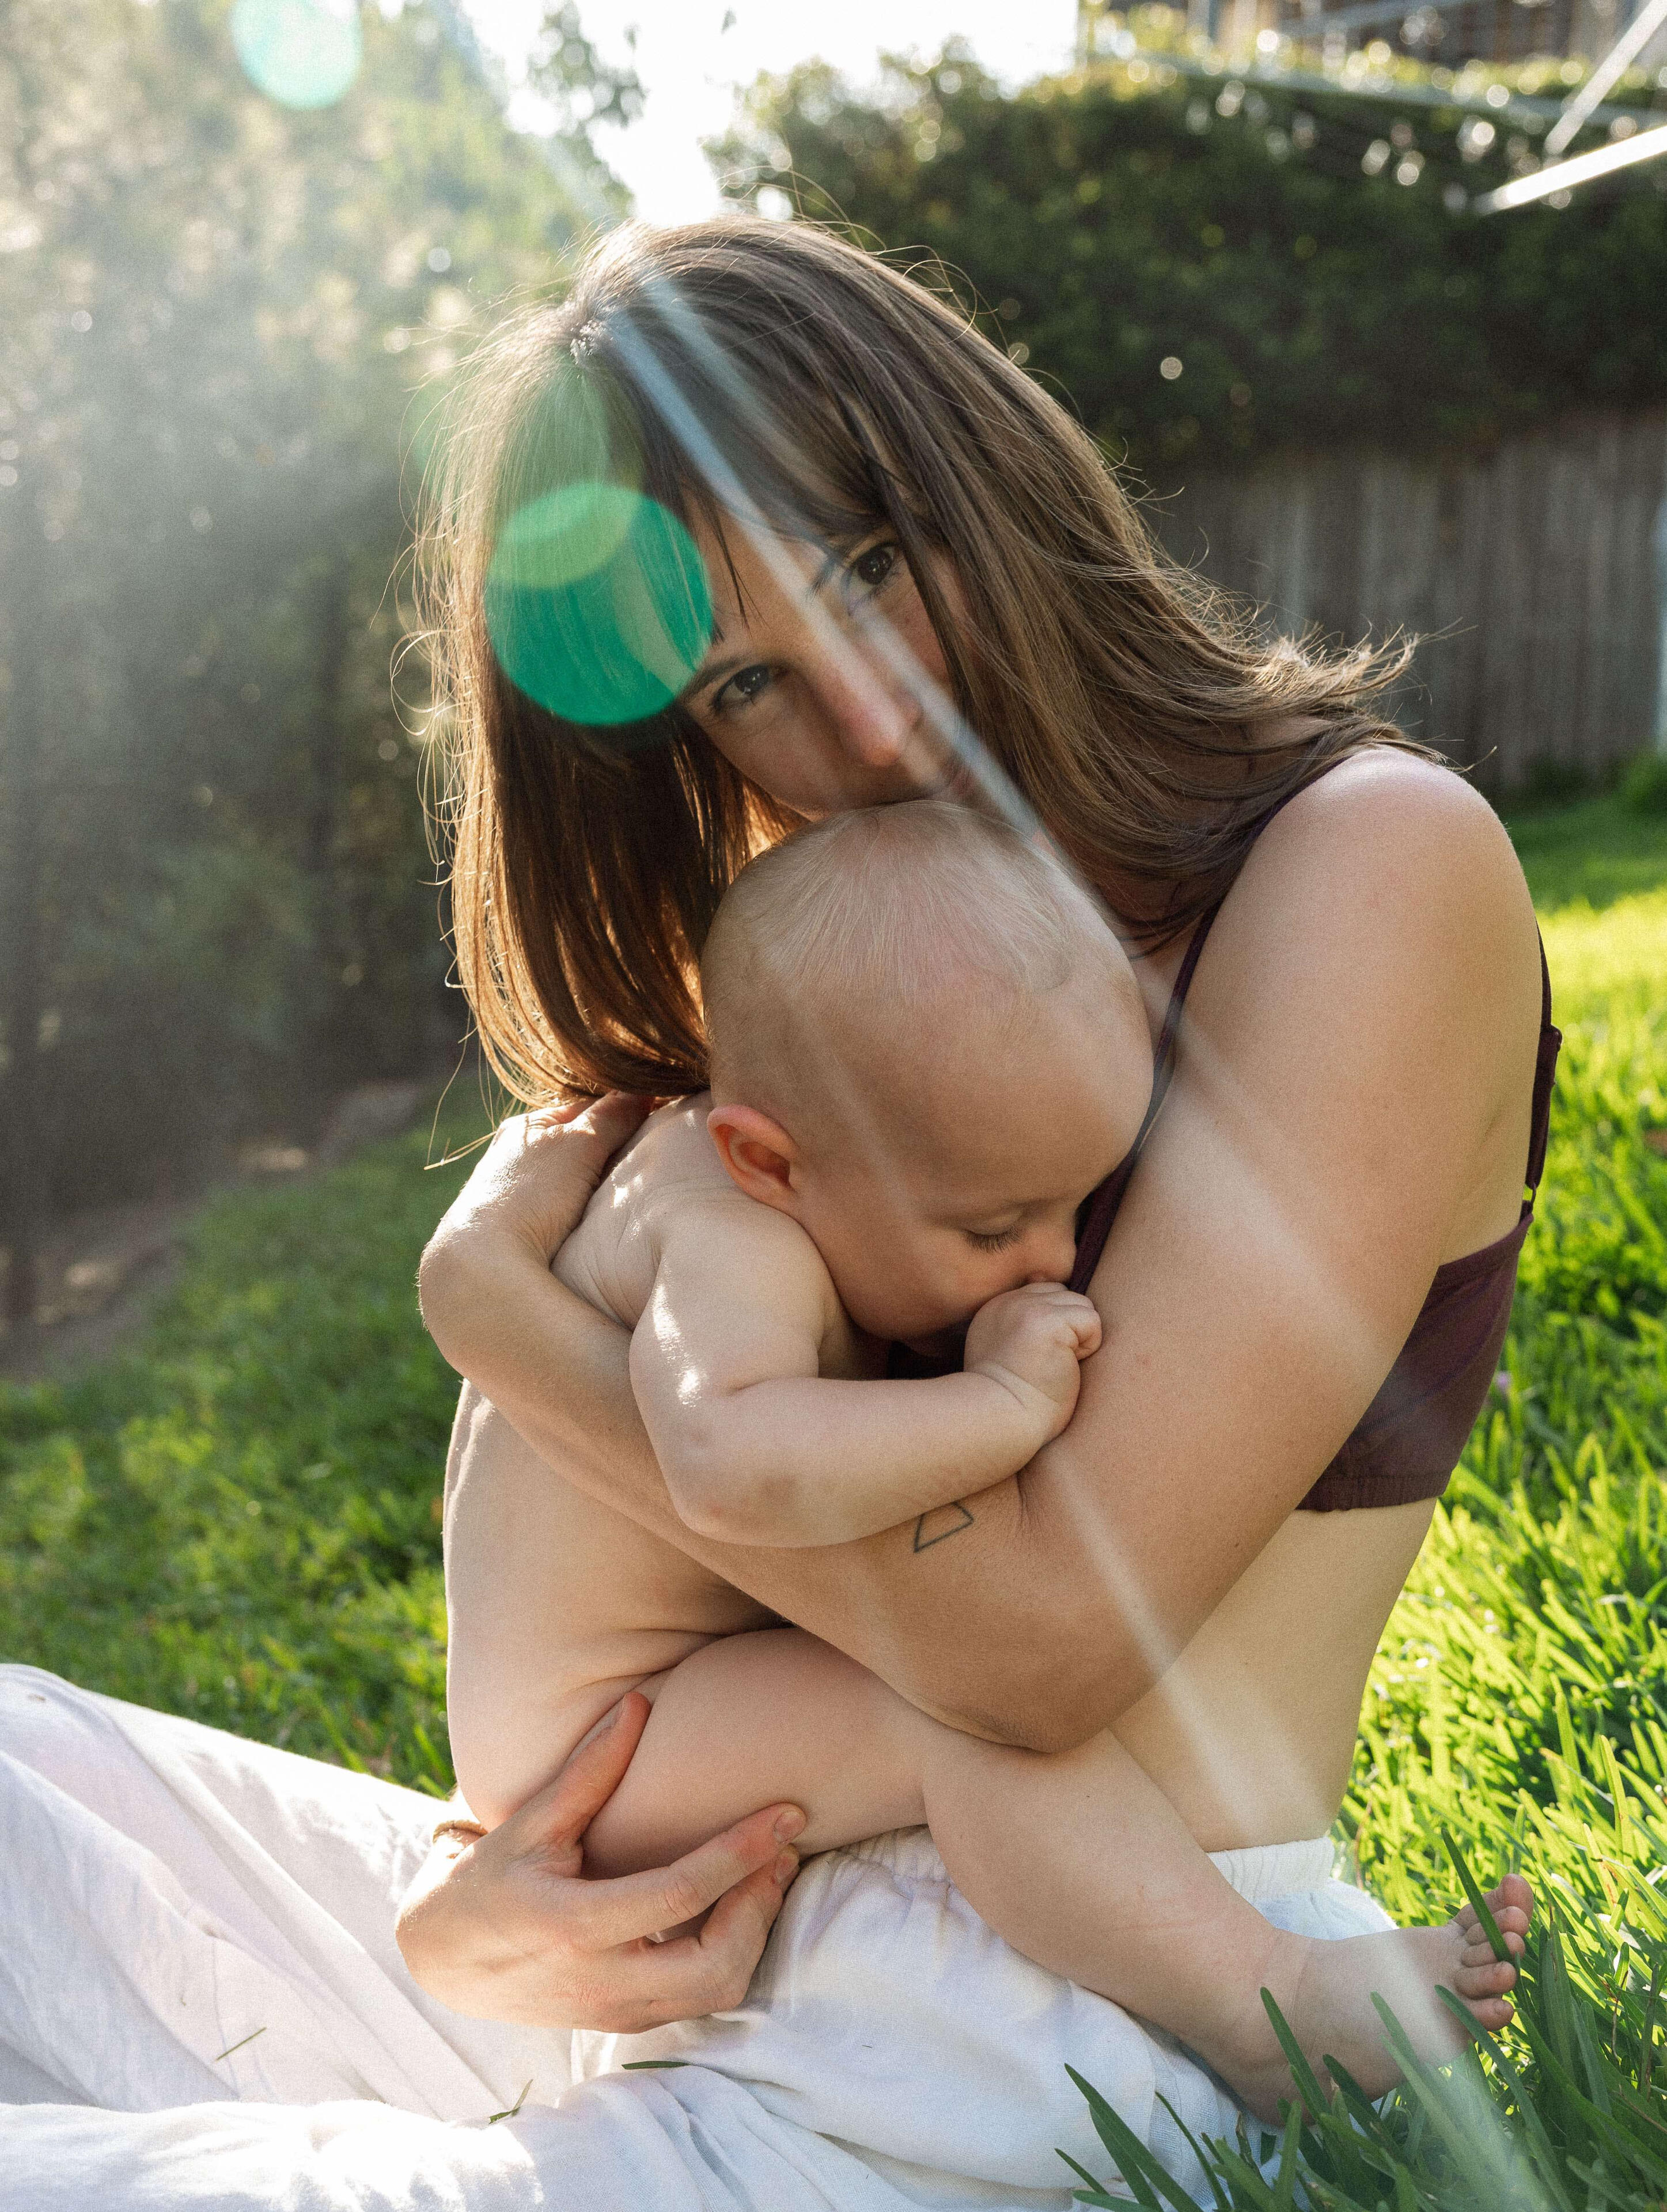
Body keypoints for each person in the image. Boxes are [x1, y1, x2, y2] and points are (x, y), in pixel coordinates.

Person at [0, 213, 1554, 2210]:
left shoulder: (1360, 864)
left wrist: (505, 1325)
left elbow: (1040, 1653)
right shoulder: (841, 982)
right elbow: (668, 1648)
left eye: (872, 565)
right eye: (747, 680)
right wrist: (472, 1917)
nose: (873, 721)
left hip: (1047, 2018)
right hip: (692, 1947)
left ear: (982, 471)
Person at [444, 796, 1527, 2125]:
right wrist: (1000, 1404)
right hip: (594, 1742)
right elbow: (726, 1457)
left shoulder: (809, 1178)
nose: (1053, 1259)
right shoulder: (724, 1238)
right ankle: (1264, 2002)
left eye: (1080, 1203)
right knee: (949, 1724)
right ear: (765, 1159)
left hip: (650, 1702)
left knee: (941, 1694)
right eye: (994, 1226)